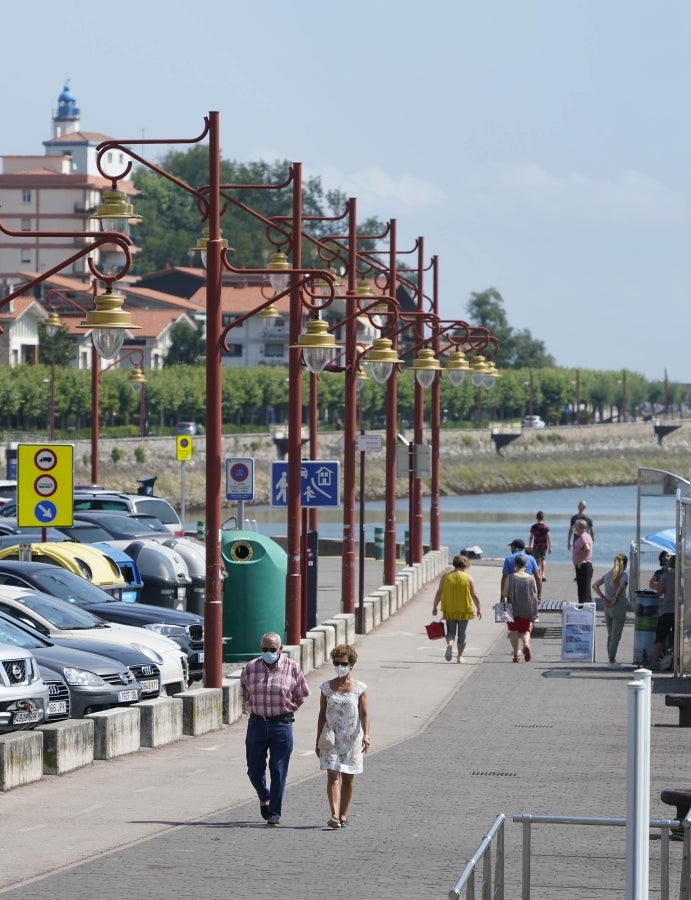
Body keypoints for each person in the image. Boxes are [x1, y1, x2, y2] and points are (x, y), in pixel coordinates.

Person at [240, 631, 310, 826]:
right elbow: (244, 695)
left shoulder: (293, 668)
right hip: (257, 723)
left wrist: (288, 711)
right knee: (254, 769)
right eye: (264, 649)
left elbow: (301, 696)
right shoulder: (250, 668)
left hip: (282, 724)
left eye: (272, 649)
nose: (268, 652)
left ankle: (274, 813)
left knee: (278, 770)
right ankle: (264, 796)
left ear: (280, 649)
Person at [315, 644, 370, 828]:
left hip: (352, 738)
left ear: (351, 664)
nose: (340, 666)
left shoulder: (359, 688)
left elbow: (364, 714)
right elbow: (322, 714)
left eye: (343, 663)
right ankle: (334, 815)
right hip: (331, 737)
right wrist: (317, 739)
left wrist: (367, 735)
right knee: (332, 774)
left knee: (348, 776)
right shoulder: (326, 688)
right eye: (336, 663)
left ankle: (344, 814)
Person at [432, 554, 482, 663]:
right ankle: (459, 657)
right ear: (465, 564)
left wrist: (435, 606)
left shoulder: (446, 577)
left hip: (450, 609)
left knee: (450, 632)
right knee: (462, 633)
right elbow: (474, 594)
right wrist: (479, 607)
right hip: (464, 609)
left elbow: (439, 592)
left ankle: (450, 645)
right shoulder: (468, 577)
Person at [593, 553, 629, 667]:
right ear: (625, 564)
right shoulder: (624, 575)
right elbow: (622, 586)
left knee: (610, 634)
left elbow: (594, 585)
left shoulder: (607, 574)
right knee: (616, 635)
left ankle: (611, 658)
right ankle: (612, 660)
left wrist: (603, 597)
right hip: (618, 606)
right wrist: (616, 598)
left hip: (607, 607)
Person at [506, 554, 539, 662]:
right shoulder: (531, 578)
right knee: (525, 630)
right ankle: (526, 644)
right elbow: (535, 593)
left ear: (515, 565)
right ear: (526, 565)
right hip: (527, 607)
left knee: (513, 631)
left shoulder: (510, 577)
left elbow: (504, 592)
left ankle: (516, 654)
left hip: (512, 607)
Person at [651, 555, 676, 670]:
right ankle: (675, 662)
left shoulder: (666, 576)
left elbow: (659, 592)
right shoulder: (685, 576)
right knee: (678, 638)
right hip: (680, 612)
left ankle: (654, 662)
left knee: (660, 637)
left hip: (666, 610)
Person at [501, 539, 542, 607]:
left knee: (512, 615)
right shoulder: (531, 558)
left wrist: (502, 597)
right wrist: (539, 595)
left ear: (515, 548)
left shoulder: (508, 559)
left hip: (513, 595)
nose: (511, 549)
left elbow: (504, 578)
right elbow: (538, 577)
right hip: (528, 593)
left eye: (511, 547)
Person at [572, 519, 594, 604]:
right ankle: (584, 609)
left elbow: (587, 548)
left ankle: (584, 609)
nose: (575, 529)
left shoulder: (584, 536)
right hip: (582, 566)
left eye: (576, 527)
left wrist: (582, 560)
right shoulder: (583, 536)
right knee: (582, 590)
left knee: (584, 590)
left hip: (584, 566)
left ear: (580, 527)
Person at [528, 511, 552, 581]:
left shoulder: (534, 527)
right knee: (543, 559)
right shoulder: (545, 527)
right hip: (544, 545)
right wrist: (550, 547)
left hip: (536, 545)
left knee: (537, 560)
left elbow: (531, 537)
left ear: (536, 518)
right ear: (543, 518)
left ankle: (538, 574)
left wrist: (529, 546)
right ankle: (543, 574)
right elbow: (548, 537)